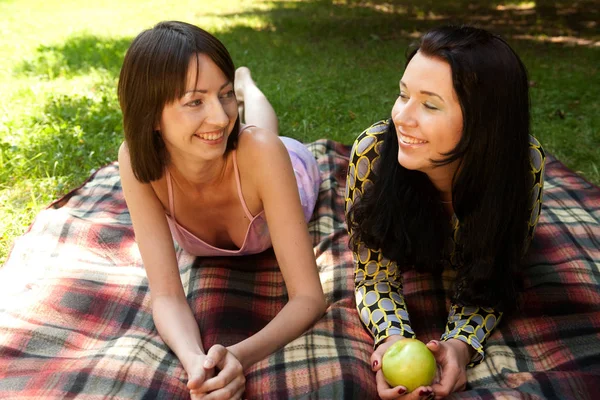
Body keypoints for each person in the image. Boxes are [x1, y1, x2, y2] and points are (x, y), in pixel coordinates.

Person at [117, 21, 326, 400]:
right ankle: (244, 85)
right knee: (245, 133)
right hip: (249, 159)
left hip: (288, 171)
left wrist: (236, 356)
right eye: (195, 101)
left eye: (225, 94)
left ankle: (248, 85)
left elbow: (309, 298)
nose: (219, 115)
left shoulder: (261, 153)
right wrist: (196, 361)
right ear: (150, 116)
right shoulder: (138, 163)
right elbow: (165, 296)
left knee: (260, 133)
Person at [345, 25, 545, 400]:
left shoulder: (521, 166)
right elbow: (373, 278)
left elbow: (493, 278)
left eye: (430, 104)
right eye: (403, 94)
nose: (402, 117)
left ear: (485, 122)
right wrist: (392, 339)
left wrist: (459, 346)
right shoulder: (372, 153)